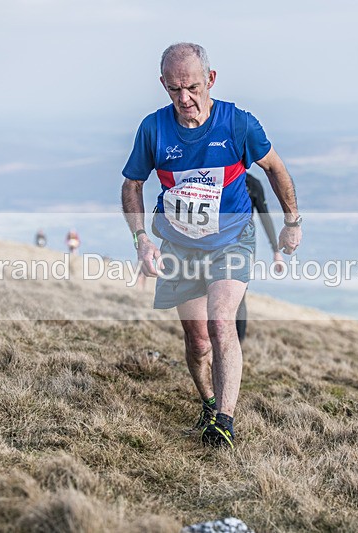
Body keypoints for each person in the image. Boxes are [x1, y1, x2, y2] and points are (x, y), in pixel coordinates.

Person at [121, 43, 302, 448]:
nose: (184, 98)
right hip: (180, 246)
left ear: (211, 80)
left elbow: (275, 169)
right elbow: (132, 184)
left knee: (221, 324)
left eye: (193, 88)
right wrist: (141, 239)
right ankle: (207, 402)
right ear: (163, 85)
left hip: (232, 240)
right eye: (174, 89)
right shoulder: (153, 129)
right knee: (198, 340)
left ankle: (224, 421)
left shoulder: (238, 124)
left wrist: (292, 222)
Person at [236, 173, 285, 343]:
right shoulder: (218, 176)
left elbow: (265, 217)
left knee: (239, 295)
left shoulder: (252, 184)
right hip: (216, 242)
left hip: (244, 244)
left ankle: (238, 345)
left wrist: (276, 251)